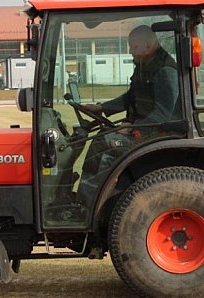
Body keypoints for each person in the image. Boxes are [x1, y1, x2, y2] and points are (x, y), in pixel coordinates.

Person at [75, 24, 182, 205]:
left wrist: (133, 128)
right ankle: (84, 200)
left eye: (133, 46)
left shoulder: (165, 70)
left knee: (110, 145)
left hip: (161, 133)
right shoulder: (144, 66)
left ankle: (91, 205)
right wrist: (101, 108)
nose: (130, 51)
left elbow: (163, 113)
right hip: (146, 129)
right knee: (101, 139)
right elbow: (130, 98)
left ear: (148, 45)